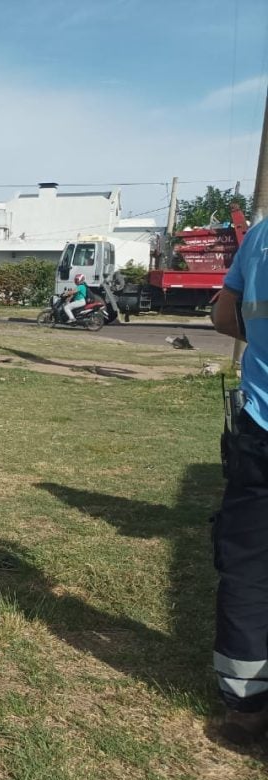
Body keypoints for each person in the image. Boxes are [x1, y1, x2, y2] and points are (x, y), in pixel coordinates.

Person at [210, 214, 268, 745]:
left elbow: (225, 317)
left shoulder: (261, 236)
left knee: (250, 568)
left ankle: (246, 708)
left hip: (262, 428)